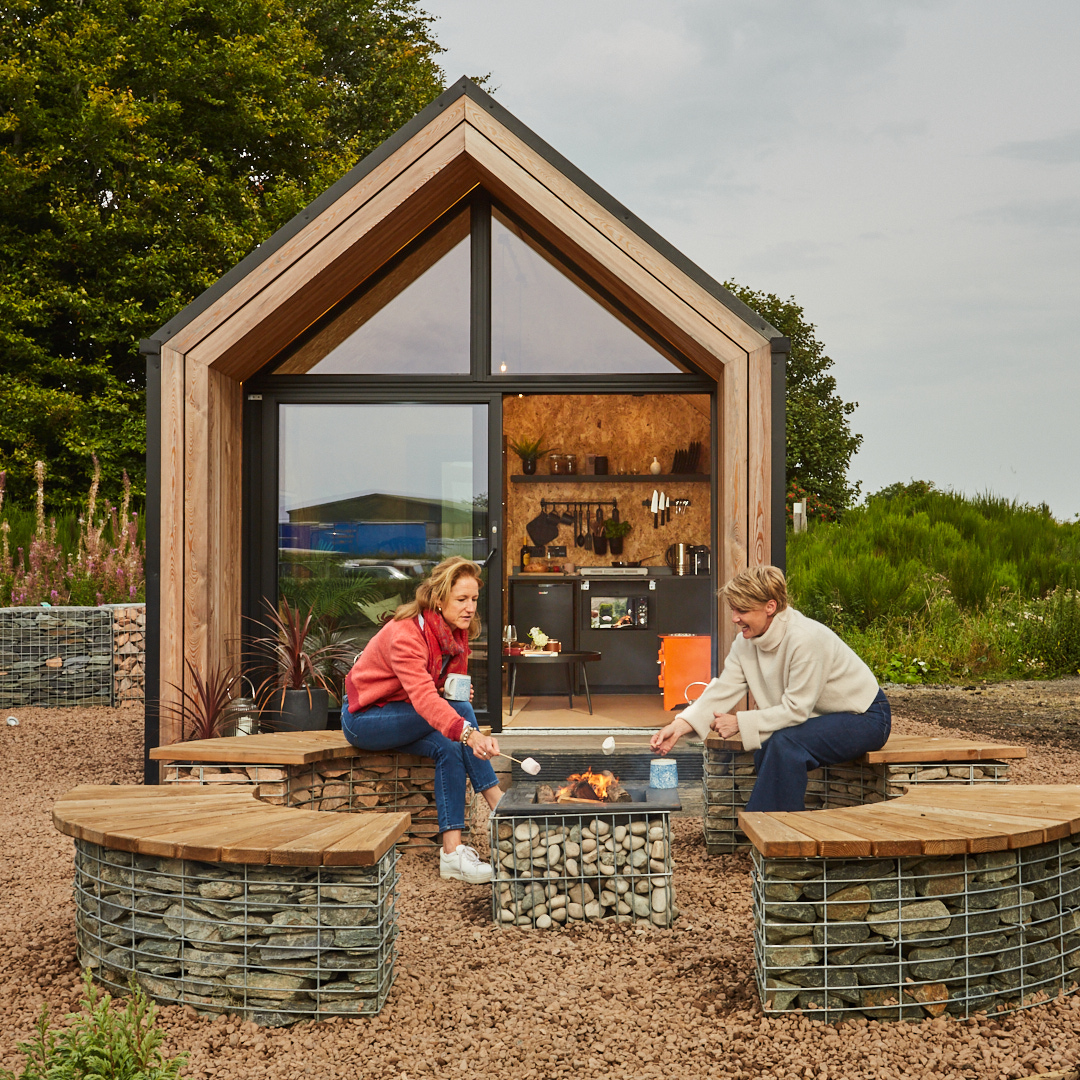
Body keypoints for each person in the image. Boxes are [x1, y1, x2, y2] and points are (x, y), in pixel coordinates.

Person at [650, 565, 891, 812]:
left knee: (785, 745)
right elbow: (723, 689)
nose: (734, 618)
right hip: (824, 717)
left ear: (770, 607)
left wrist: (739, 723)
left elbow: (796, 711)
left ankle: (770, 829)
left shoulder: (805, 639)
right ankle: (775, 830)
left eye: (742, 610)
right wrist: (679, 726)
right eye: (733, 609)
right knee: (770, 746)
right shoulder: (746, 643)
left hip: (865, 717)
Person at [341, 556, 503, 882]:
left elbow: (446, 695)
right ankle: (500, 806)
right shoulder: (406, 635)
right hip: (365, 719)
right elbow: (426, 700)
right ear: (439, 599)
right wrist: (471, 733)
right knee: (460, 721)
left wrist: (453, 694)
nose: (470, 607)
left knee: (449, 742)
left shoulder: (457, 634)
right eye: (461, 599)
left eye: (473, 599)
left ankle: (452, 853)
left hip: (403, 713)